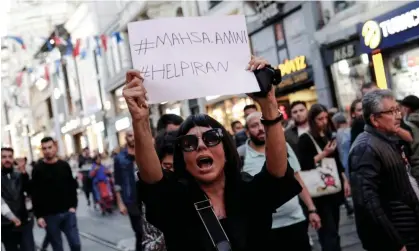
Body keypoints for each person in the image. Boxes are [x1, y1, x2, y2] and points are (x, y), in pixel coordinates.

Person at [123, 57, 302, 251]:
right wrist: (140, 120)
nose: (201, 146)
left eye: (211, 138)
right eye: (189, 143)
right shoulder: (175, 202)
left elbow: (277, 172)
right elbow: (152, 181)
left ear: (225, 149)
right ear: (182, 158)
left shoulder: (247, 191)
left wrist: (268, 105)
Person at [238, 112, 321, 250]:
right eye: (254, 125)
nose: (260, 128)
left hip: (295, 220)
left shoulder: (283, 147)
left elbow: (297, 180)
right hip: (266, 230)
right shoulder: (240, 156)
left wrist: (312, 209)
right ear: (247, 132)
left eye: (263, 124)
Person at [349, 89, 419, 251]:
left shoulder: (388, 140)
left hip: (409, 231)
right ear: (375, 119)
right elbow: (368, 202)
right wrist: (396, 242)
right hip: (396, 238)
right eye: (392, 111)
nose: (399, 116)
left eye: (398, 109)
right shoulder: (365, 148)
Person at [297, 104, 351, 251]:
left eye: (326, 118)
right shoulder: (305, 139)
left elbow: (336, 161)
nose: (324, 121)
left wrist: (345, 180)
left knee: (334, 230)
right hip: (319, 193)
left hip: (333, 188)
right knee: (328, 233)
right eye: (320, 119)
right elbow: (303, 164)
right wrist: (323, 154)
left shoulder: (327, 135)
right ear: (313, 120)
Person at [31, 137, 80, 251]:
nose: (47, 151)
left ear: (55, 148)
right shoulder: (38, 169)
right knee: (57, 247)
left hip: (67, 212)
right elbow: (35, 194)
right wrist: (39, 216)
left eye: (50, 147)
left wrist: (73, 206)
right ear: (42, 150)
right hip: (49, 216)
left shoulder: (64, 165)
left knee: (75, 244)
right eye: (44, 148)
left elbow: (72, 186)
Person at [114, 129, 143, 251]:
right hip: (131, 199)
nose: (132, 138)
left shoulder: (144, 152)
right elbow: (117, 182)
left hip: (146, 196)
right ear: (125, 138)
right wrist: (120, 203)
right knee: (140, 232)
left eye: (134, 135)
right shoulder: (120, 158)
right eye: (130, 136)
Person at [1, 147, 34, 251]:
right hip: (6, 225)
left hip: (24, 222)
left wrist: (23, 172)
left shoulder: (19, 175)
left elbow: (29, 191)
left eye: (10, 157)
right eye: (4, 157)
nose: (7, 159)